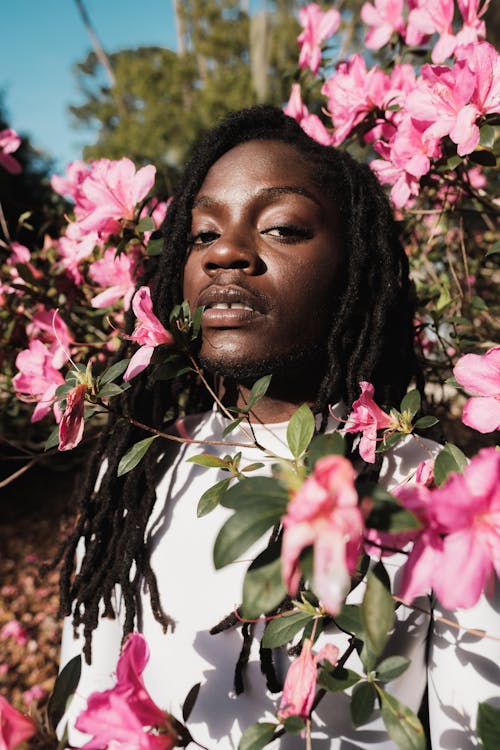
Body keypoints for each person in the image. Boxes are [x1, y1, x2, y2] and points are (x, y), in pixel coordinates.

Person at [58, 106, 499, 749]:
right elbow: (87, 713)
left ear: (353, 269)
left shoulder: (435, 487)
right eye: (203, 234)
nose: (227, 253)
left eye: (283, 228)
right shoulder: (133, 471)